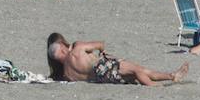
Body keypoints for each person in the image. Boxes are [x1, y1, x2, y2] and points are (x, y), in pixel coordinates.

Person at [46, 33, 186, 85]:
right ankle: (156, 87)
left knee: (137, 73)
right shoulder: (76, 48)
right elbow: (100, 44)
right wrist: (102, 52)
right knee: (137, 71)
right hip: (104, 66)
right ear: (63, 48)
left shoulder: (66, 73)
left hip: (100, 78)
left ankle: (171, 76)